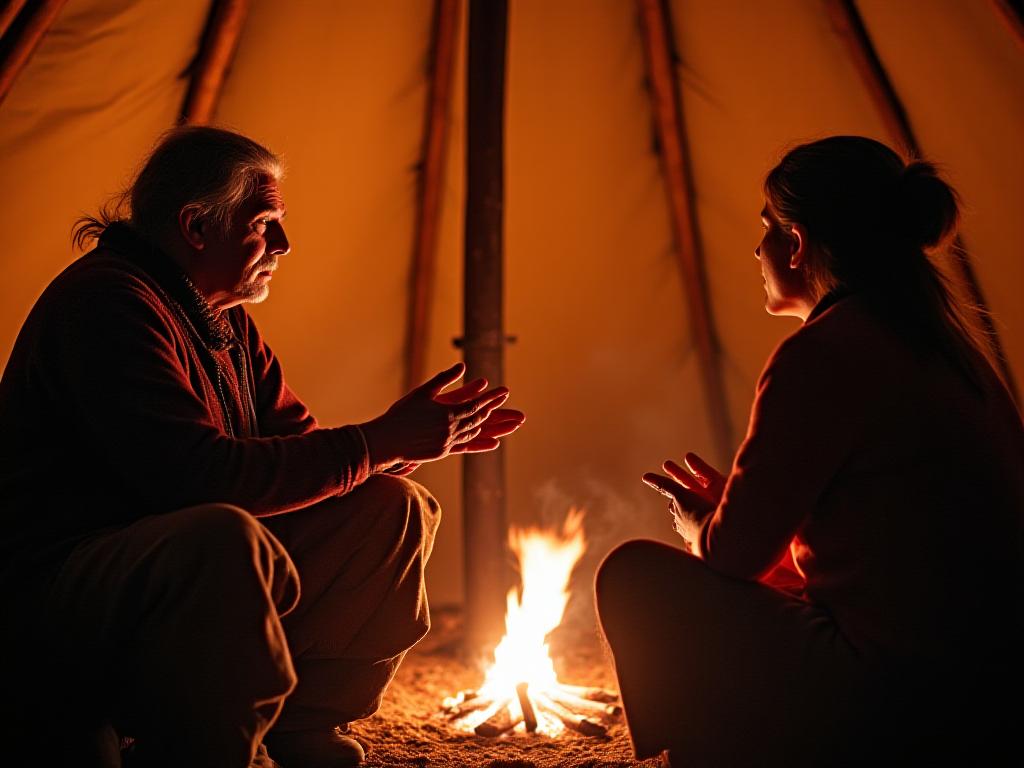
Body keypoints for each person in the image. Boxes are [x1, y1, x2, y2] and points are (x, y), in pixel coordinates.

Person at [0, 126, 524, 768]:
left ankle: (302, 723)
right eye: (266, 222)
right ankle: (183, 741)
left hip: (163, 578)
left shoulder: (221, 319)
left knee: (392, 508)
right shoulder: (109, 304)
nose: (283, 244)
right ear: (197, 226)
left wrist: (398, 447)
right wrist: (376, 441)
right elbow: (201, 479)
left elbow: (298, 453)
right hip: (59, 592)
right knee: (224, 538)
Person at [595, 136, 1024, 767]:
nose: (756, 249)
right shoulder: (951, 351)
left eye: (765, 228)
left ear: (795, 243)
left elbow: (735, 558)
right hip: (989, 693)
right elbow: (882, 558)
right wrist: (738, 514)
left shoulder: (822, 353)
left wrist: (701, 526)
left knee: (636, 575)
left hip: (903, 699)